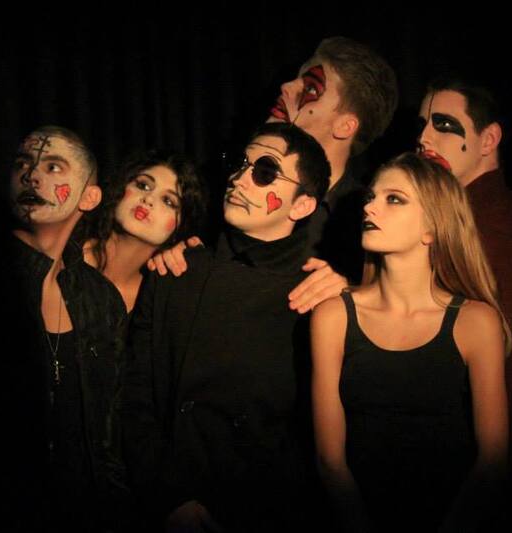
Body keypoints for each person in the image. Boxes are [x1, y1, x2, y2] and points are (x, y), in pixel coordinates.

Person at [120, 122, 330, 532]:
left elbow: (304, 438)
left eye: (265, 171)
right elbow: (134, 395)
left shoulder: (312, 297)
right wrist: (169, 497)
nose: (239, 179)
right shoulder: (174, 271)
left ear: (302, 205)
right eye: (240, 164)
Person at [311, 153, 510, 532]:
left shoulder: (475, 322)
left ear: (432, 228)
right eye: (371, 196)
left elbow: (493, 461)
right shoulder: (334, 316)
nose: (370, 207)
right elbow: (329, 461)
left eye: (394, 199)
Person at [150, 36, 399, 313]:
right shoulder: (226, 182)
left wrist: (354, 293)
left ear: (345, 126)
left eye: (311, 88)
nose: (286, 87)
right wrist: (173, 257)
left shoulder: (367, 217)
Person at [416, 76, 512, 523]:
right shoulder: (460, 217)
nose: (424, 138)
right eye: (423, 124)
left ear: (489, 139)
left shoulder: (495, 230)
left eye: (443, 124)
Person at [9, 125, 131, 532]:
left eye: (53, 166)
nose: (31, 176)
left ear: (89, 197)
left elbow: (110, 429)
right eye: (23, 163)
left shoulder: (101, 299)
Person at [78, 149, 206, 313]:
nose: (148, 199)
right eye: (143, 185)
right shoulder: (65, 252)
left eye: (168, 201)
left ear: (181, 226)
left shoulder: (163, 297)